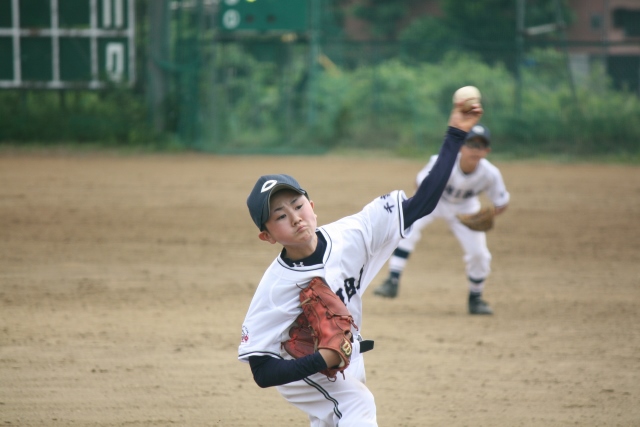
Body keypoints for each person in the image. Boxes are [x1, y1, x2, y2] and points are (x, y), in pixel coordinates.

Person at [237, 100, 483, 426]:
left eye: (297, 205)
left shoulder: (353, 234)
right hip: (299, 365)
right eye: (280, 216)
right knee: (357, 403)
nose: (295, 218)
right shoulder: (275, 288)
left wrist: (456, 134)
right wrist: (320, 359)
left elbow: (422, 203)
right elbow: (262, 371)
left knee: (340, 414)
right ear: (267, 236)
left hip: (346, 350)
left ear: (312, 205)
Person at [373, 123, 510, 315]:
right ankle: (392, 281)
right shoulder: (443, 162)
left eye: (481, 146)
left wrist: (488, 214)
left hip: (467, 208)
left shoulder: (490, 174)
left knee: (479, 254)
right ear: (461, 146)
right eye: (471, 144)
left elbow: (501, 202)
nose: (475, 150)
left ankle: (476, 298)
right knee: (406, 228)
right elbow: (419, 183)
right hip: (435, 202)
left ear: (487, 151)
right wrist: (422, 203)